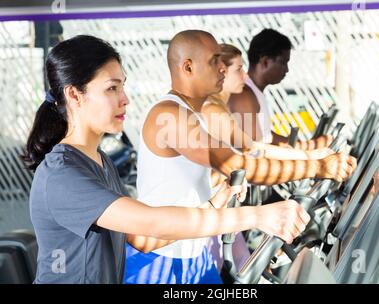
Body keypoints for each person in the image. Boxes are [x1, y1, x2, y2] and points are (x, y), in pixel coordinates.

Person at [23, 35, 311, 284]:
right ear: (74, 94)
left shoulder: (99, 161)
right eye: (112, 88)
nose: (125, 99)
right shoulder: (62, 174)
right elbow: (151, 223)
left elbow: (141, 239)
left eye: (123, 87)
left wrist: (211, 205)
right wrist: (257, 216)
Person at [125, 30, 356, 284]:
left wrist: (218, 196)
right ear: (187, 67)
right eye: (214, 61)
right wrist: (317, 166)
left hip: (194, 254)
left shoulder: (194, 114)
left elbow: (249, 150)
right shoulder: (169, 114)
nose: (222, 68)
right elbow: (238, 163)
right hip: (162, 262)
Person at [201, 43, 334, 161]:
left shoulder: (218, 106)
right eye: (238, 69)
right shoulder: (213, 110)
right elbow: (252, 149)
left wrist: (307, 152)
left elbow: (257, 145)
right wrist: (309, 156)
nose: (245, 75)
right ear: (222, 72)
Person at [228, 28, 331, 150]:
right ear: (265, 61)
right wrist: (308, 151)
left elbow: (265, 136)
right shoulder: (243, 96)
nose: (286, 70)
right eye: (283, 62)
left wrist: (301, 146)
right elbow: (254, 152)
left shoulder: (254, 92)